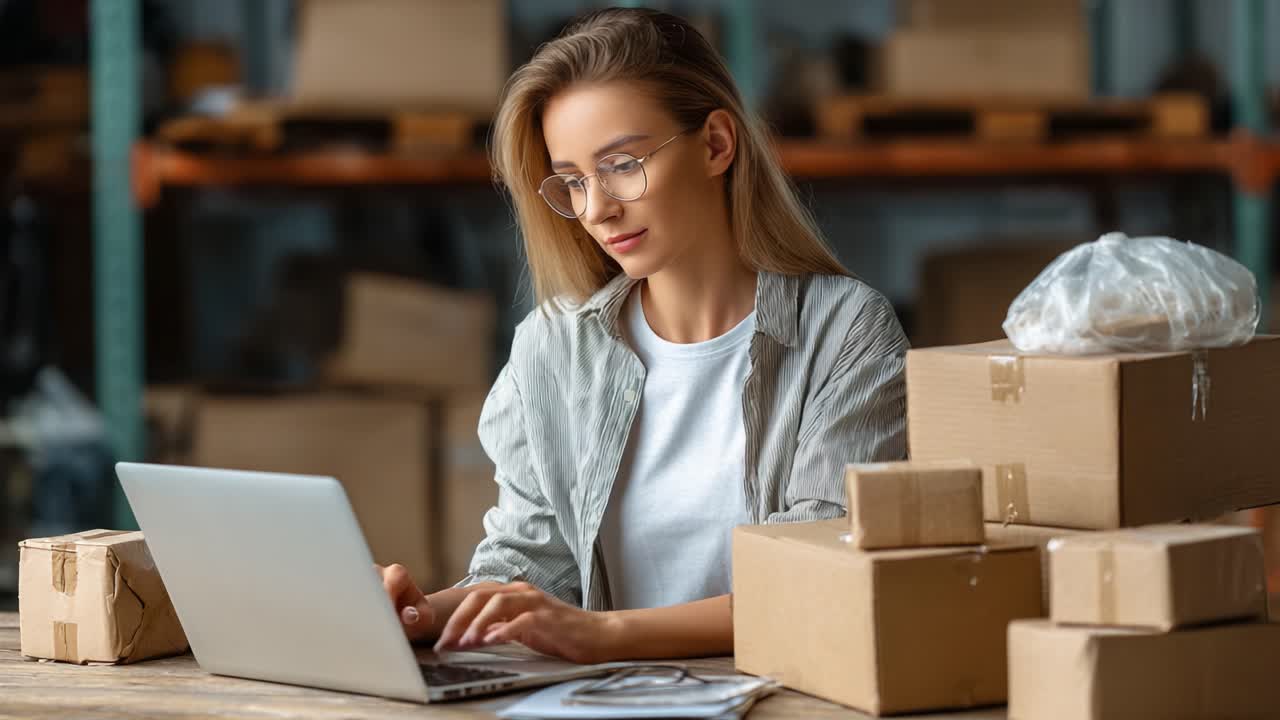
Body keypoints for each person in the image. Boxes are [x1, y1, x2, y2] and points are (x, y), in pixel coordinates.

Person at [378, 7, 907, 664]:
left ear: (716, 144)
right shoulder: (553, 348)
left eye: (622, 164)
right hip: (606, 701)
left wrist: (604, 635)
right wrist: (425, 612)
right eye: (572, 181)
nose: (596, 209)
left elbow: (816, 577)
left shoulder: (845, 332)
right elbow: (531, 564)